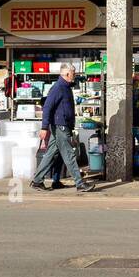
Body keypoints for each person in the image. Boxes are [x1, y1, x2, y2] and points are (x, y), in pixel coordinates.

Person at [31, 65, 93, 194]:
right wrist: (44, 127)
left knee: (51, 155)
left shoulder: (66, 87)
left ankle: (37, 180)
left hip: (62, 126)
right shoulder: (58, 88)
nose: (74, 76)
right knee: (69, 155)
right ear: (66, 74)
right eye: (73, 73)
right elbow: (47, 107)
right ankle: (80, 183)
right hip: (60, 127)